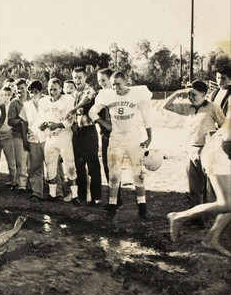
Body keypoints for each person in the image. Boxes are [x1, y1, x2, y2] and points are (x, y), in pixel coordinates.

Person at [168, 99, 231, 256]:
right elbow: (228, 136)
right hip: (218, 152)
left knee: (229, 201)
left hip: (223, 152)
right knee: (227, 203)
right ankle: (179, 217)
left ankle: (211, 239)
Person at [89, 71, 153, 219]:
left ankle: (142, 207)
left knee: (138, 172)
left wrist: (149, 138)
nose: (115, 88)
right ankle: (112, 207)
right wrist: (105, 123)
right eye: (113, 85)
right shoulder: (107, 95)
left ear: (127, 82)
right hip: (116, 138)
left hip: (133, 137)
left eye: (118, 84)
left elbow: (146, 117)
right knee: (114, 173)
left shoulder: (138, 94)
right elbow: (93, 112)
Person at [163, 81, 225, 211]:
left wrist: (215, 140)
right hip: (191, 150)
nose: (190, 97)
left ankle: (210, 215)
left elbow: (224, 126)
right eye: (189, 95)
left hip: (208, 150)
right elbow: (166, 105)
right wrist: (178, 93)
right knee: (194, 187)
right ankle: (197, 216)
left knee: (209, 186)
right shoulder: (188, 108)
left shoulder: (213, 107)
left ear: (203, 94)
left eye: (193, 94)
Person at [39, 78, 80, 204]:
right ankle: (52, 195)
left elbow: (70, 121)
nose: (52, 92)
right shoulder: (43, 102)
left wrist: (57, 125)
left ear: (61, 89)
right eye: (50, 89)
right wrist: (42, 125)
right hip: (50, 137)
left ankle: (74, 195)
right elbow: (41, 119)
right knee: (50, 167)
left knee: (70, 166)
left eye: (55, 89)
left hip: (64, 136)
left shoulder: (67, 100)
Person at [66, 67, 102, 205]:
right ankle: (81, 196)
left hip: (89, 132)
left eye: (79, 77)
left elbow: (85, 103)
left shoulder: (90, 90)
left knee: (93, 165)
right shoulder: (73, 94)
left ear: (85, 77)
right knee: (79, 165)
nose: (77, 80)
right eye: (74, 78)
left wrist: (73, 109)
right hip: (77, 133)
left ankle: (96, 198)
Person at [96, 68, 123, 205]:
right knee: (106, 165)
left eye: (104, 81)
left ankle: (117, 197)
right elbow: (93, 114)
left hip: (118, 135)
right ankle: (115, 197)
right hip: (104, 135)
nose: (101, 83)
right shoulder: (99, 95)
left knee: (115, 165)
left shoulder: (119, 95)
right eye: (99, 81)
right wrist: (103, 124)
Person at [19, 80, 47, 201]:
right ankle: (37, 193)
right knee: (35, 166)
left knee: (52, 165)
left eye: (36, 92)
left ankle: (57, 193)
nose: (33, 94)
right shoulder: (27, 105)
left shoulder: (47, 102)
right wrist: (25, 139)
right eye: (31, 92)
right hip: (33, 138)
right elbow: (24, 123)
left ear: (41, 92)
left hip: (47, 137)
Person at [7, 78, 30, 192]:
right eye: (18, 89)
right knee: (20, 161)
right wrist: (21, 120)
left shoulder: (32, 100)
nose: (20, 91)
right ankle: (21, 185)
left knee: (32, 161)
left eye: (22, 88)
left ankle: (32, 184)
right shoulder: (14, 103)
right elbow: (10, 121)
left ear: (26, 87)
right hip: (18, 134)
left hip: (32, 134)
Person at [0, 84, 18, 190]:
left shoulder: (12, 106)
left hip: (8, 135)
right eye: (4, 94)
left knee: (11, 159)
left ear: (11, 96)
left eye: (8, 95)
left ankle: (13, 181)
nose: (6, 97)